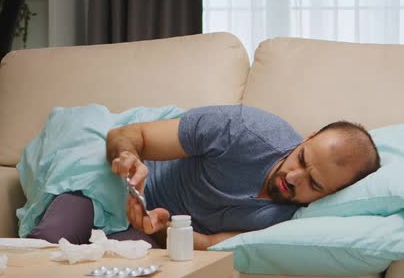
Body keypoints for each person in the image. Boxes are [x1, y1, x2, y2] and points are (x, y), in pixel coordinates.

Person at [29, 105, 381, 250]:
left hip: (150, 226)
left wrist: (165, 227)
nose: (294, 176)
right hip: (117, 181)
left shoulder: (289, 222)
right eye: (302, 158)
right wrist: (129, 160)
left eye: (314, 184)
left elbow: (210, 244)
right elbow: (130, 134)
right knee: (47, 243)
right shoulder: (244, 130)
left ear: (330, 196)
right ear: (307, 138)